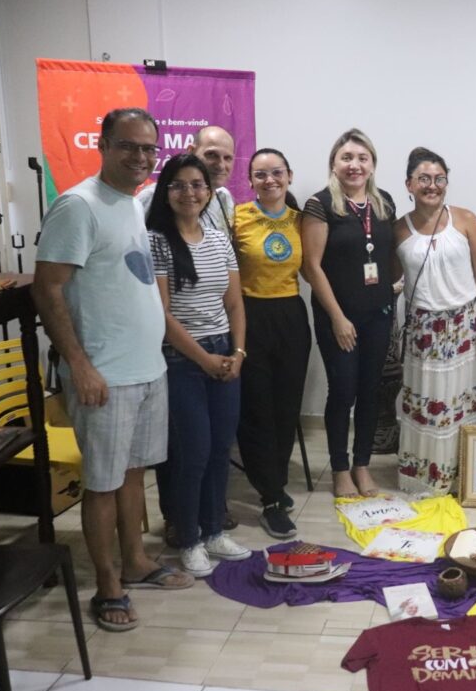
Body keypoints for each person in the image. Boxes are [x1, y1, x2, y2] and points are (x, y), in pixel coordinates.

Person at [33, 107, 194, 632]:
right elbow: (47, 288)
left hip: (145, 368)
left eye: (149, 149)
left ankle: (136, 562)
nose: (141, 157)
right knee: (102, 484)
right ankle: (107, 586)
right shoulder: (78, 206)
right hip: (104, 375)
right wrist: (79, 365)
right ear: (102, 146)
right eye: (128, 146)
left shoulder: (128, 203)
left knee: (131, 474)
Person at [147, 154, 251, 577]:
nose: (188, 193)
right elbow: (162, 315)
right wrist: (204, 359)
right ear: (166, 191)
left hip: (224, 352)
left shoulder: (218, 239)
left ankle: (213, 531)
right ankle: (189, 538)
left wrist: (238, 353)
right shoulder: (156, 240)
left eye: (197, 185)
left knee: (220, 449)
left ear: (209, 192)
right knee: (193, 453)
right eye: (179, 185)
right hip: (183, 359)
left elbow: (235, 302)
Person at [393, 147, 476, 495]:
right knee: (428, 402)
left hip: (465, 327)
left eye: (439, 178)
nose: (432, 185)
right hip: (423, 332)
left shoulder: (466, 220)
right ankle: (426, 478)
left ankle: (463, 479)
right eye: (424, 178)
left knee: (461, 403)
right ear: (409, 184)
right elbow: (392, 279)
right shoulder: (399, 230)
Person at [302, 129, 396, 499]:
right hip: (338, 318)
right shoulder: (320, 204)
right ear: (334, 163)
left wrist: (392, 287)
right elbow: (311, 266)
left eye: (362, 158)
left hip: (378, 316)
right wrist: (338, 318)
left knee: (371, 391)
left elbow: (388, 254)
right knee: (343, 391)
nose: (354, 165)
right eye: (346, 158)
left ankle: (362, 465)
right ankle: (340, 469)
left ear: (372, 164)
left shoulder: (384, 202)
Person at [233, 148, 309, 538]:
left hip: (291, 316)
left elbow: (317, 268)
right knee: (257, 409)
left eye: (276, 172)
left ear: (289, 176)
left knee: (286, 408)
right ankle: (270, 498)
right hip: (250, 316)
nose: (269, 180)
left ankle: (274, 483)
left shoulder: (302, 221)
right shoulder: (237, 218)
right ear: (250, 181)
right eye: (260, 174)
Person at [138, 125, 236, 234]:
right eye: (212, 155)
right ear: (191, 151)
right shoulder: (153, 195)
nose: (221, 165)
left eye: (227, 158)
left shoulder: (224, 197)